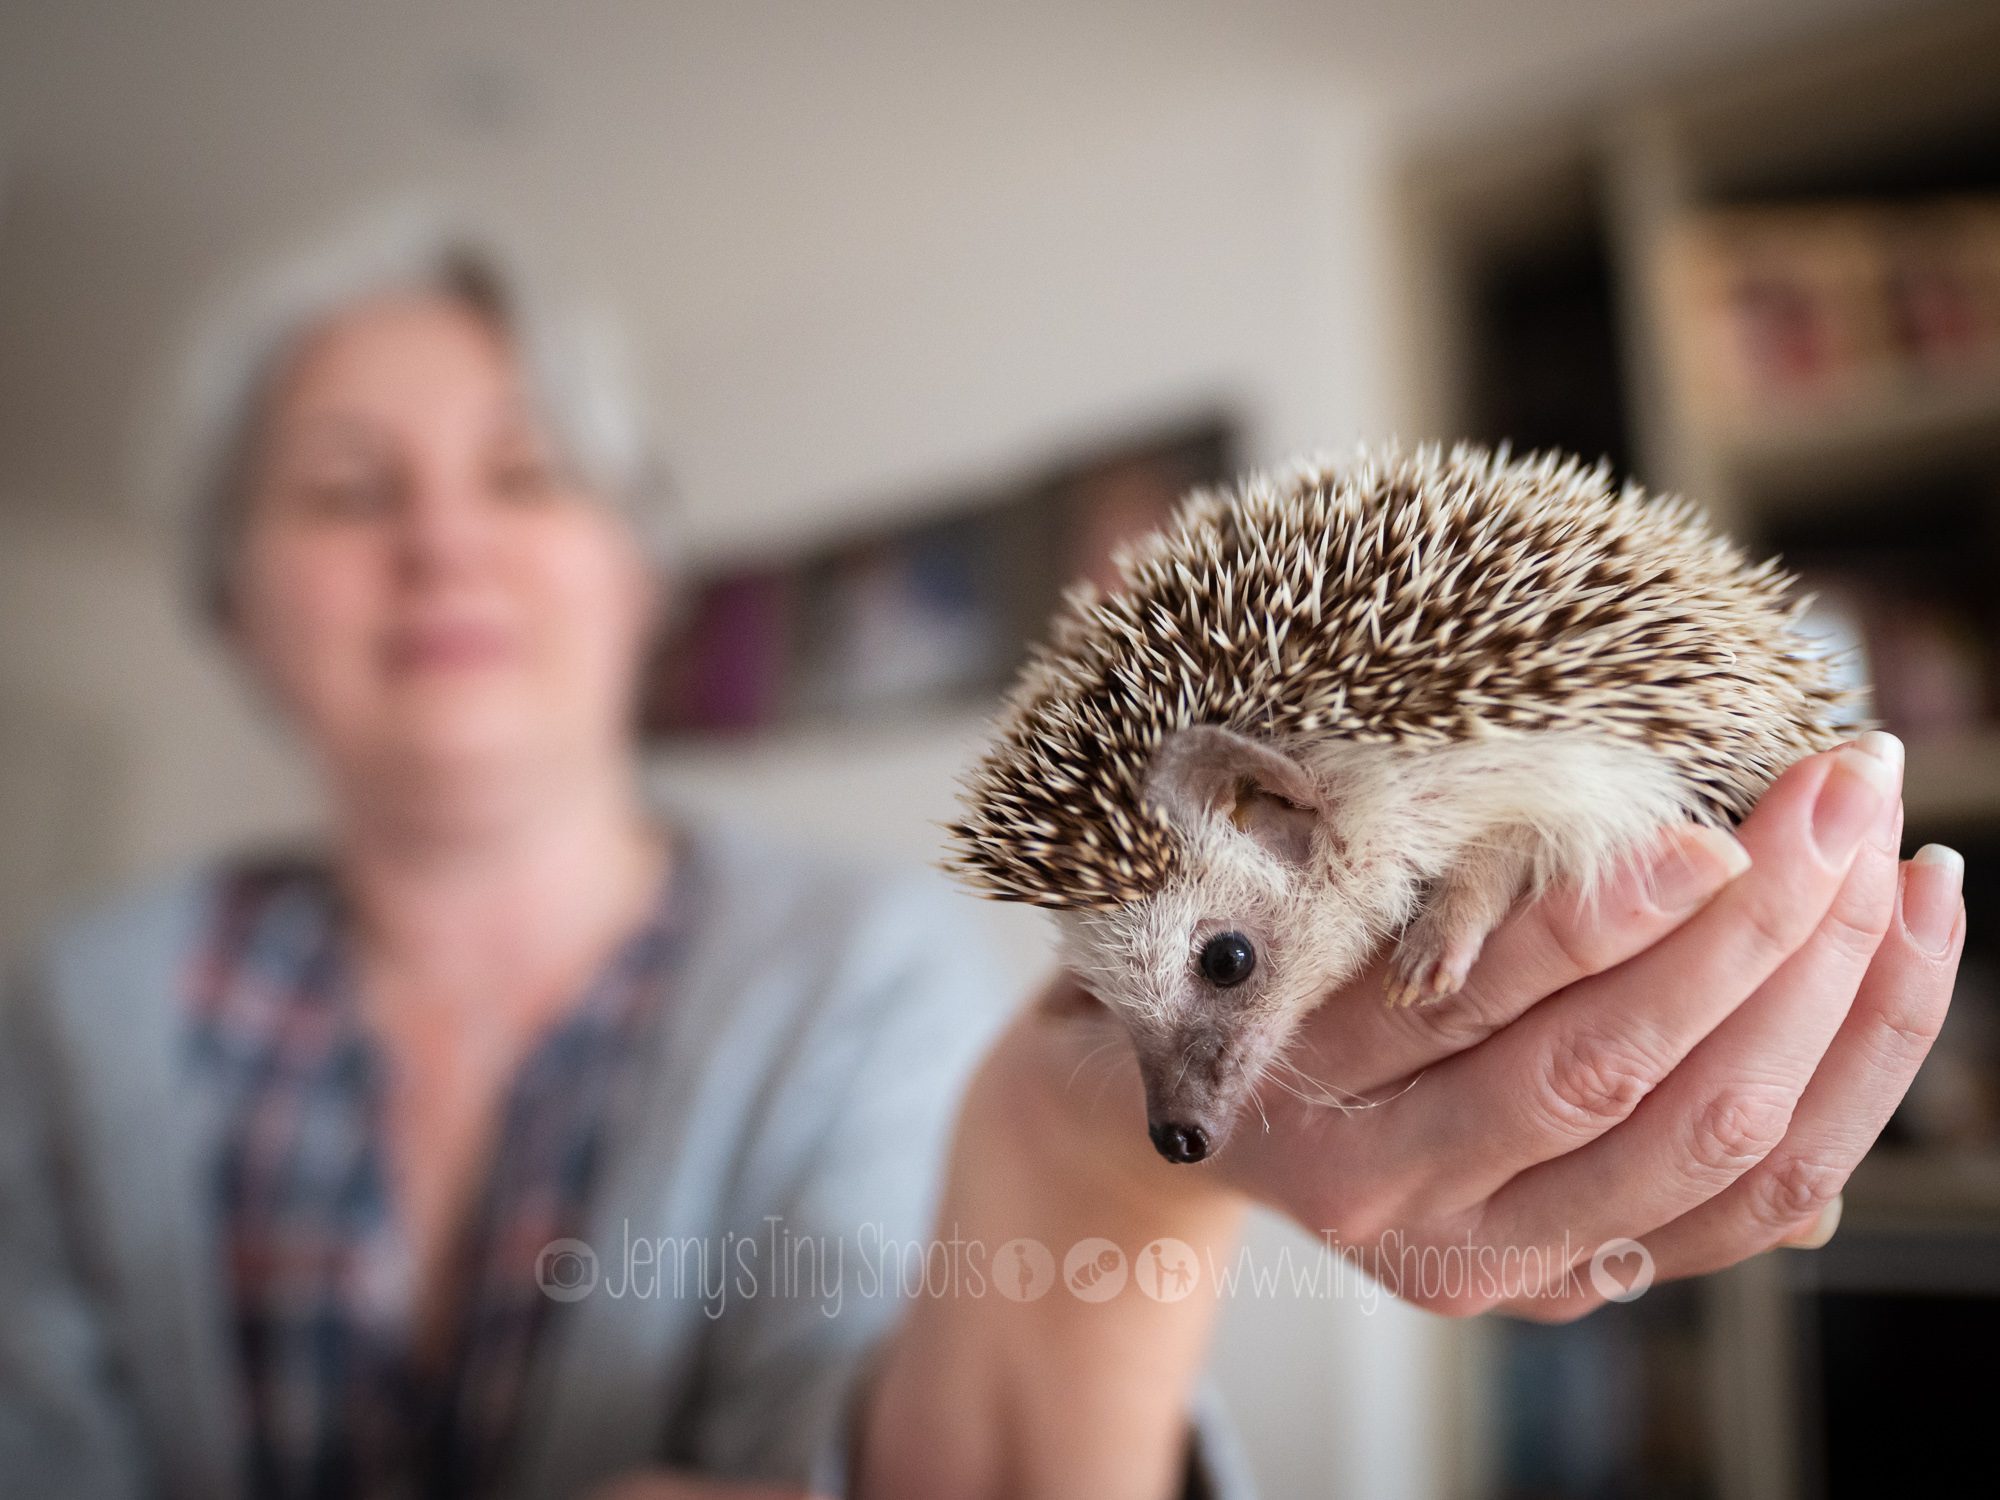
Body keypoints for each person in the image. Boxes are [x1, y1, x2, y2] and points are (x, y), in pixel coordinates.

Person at [0, 211, 1966, 1500]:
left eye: (524, 476)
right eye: (346, 491)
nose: (442, 542)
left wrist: (1085, 1145)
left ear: (636, 568)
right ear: (229, 604)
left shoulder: (867, 976)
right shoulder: (69, 1022)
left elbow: (875, 1421)